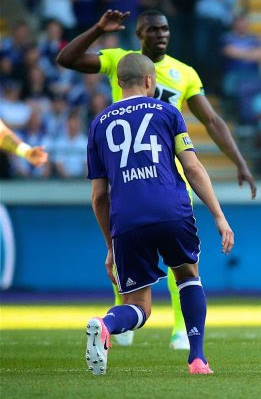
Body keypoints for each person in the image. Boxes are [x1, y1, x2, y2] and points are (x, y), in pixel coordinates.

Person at [57, 9, 256, 350]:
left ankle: (176, 327)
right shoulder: (122, 59)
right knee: (185, 267)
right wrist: (98, 29)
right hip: (144, 179)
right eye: (153, 29)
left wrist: (239, 160)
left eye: (165, 29)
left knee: (142, 250)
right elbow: (68, 58)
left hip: (164, 178)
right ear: (139, 34)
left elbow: (212, 120)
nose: (161, 35)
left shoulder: (184, 73)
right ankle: (173, 338)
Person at [85, 53, 233, 375]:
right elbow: (192, 167)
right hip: (171, 210)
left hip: (126, 219)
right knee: (187, 275)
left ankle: (105, 323)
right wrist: (219, 216)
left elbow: (99, 196)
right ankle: (196, 358)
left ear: (119, 83)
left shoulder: (98, 124)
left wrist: (111, 245)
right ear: (151, 81)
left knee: (138, 306)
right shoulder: (168, 112)